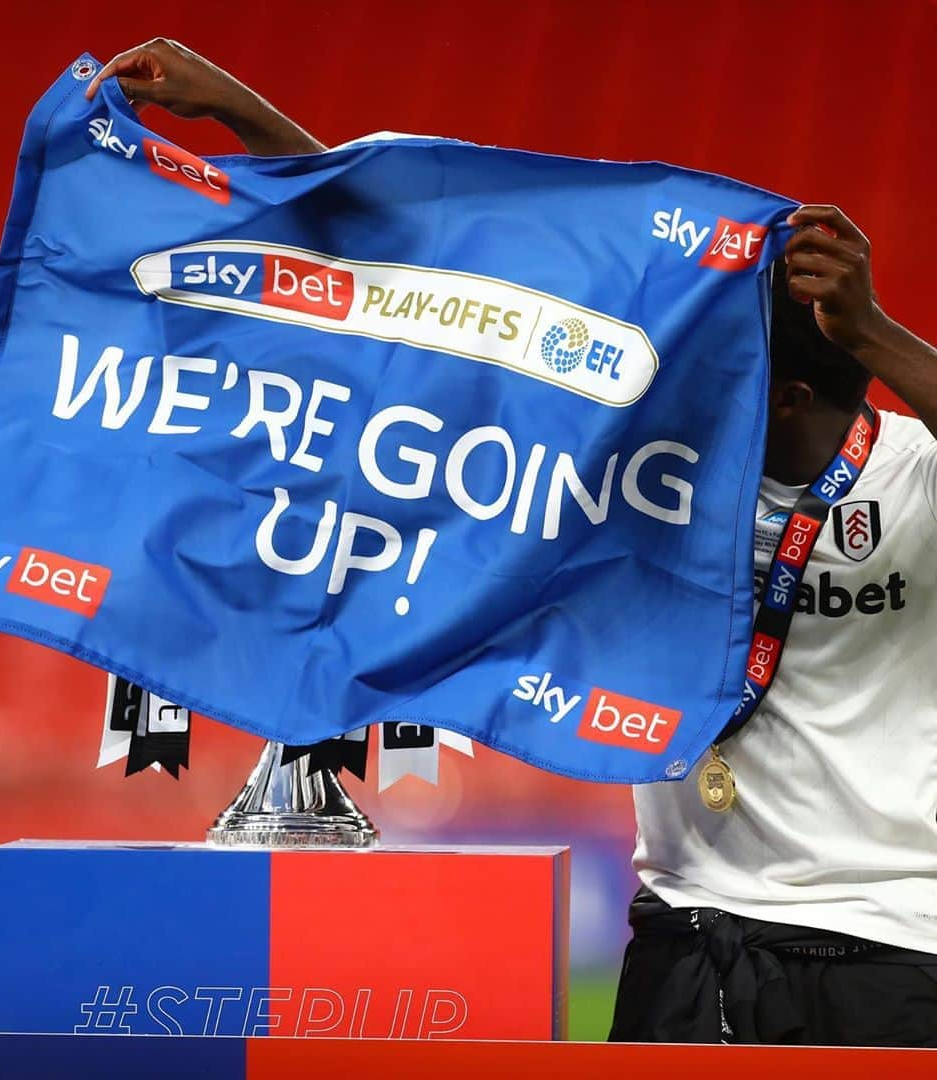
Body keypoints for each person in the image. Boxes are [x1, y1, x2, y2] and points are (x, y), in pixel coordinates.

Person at [87, 39, 937, 1046]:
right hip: (686, 938)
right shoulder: (644, 471)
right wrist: (237, 109)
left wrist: (874, 332)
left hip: (889, 944)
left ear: (787, 395)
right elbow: (416, 290)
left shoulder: (915, 472)